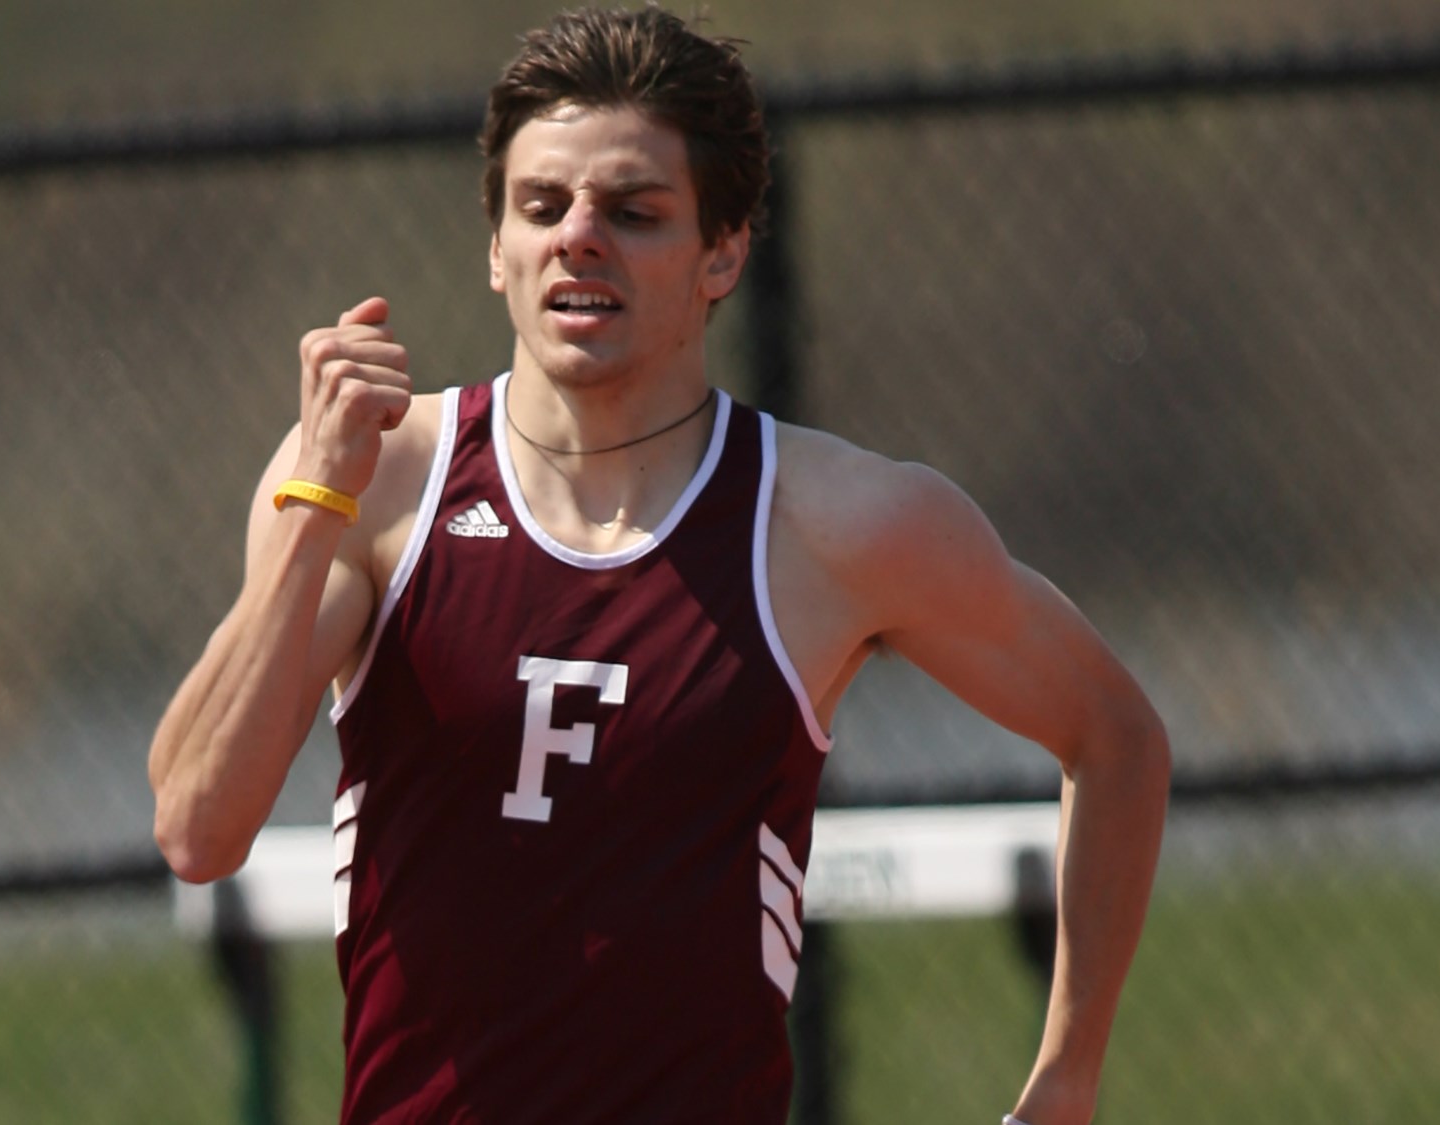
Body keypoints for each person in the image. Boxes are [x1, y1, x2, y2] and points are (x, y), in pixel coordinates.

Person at [148, 7, 1171, 1123]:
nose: (578, 239)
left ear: (721, 253)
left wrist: (1063, 1083)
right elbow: (197, 828)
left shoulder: (833, 523)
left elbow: (1114, 736)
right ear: (495, 247)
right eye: (541, 206)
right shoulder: (378, 484)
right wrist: (313, 505)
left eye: (633, 213)